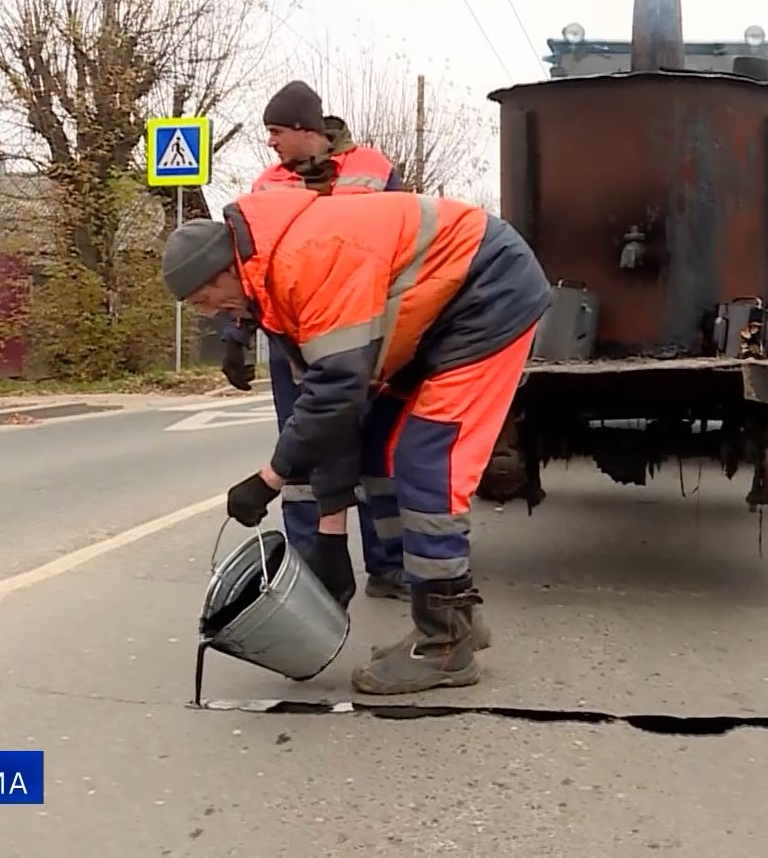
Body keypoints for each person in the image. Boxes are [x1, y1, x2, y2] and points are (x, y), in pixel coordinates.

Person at [161, 187, 552, 694]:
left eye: (204, 300)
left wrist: (269, 479)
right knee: (378, 448)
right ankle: (455, 614)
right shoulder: (269, 292)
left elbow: (338, 391)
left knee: (427, 460)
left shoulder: (303, 260)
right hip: (440, 317)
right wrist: (330, 537)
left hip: (488, 295)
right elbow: (331, 418)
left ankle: (445, 644)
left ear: (222, 272)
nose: (212, 313)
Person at [216, 80, 409, 601]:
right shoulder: (266, 184)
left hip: (368, 338)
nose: (271, 144)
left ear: (306, 130)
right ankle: (311, 571)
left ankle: (390, 565)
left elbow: (403, 244)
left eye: (277, 132)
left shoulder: (373, 168)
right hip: (293, 342)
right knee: (299, 452)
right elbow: (245, 266)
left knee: (375, 454)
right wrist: (234, 335)